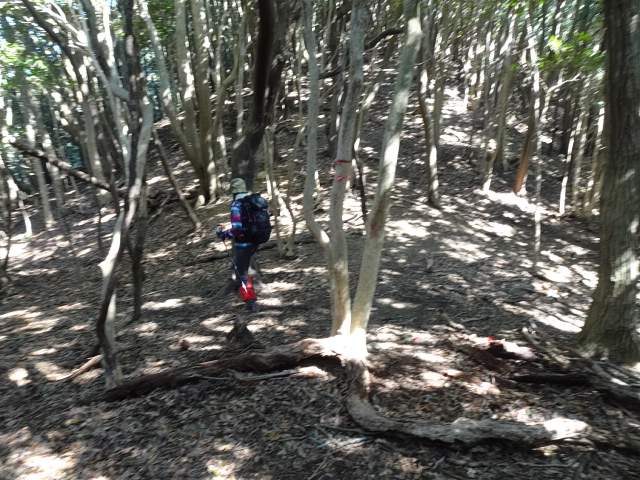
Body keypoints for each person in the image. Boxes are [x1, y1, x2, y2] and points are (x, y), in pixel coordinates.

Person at [216, 178, 259, 312]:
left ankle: (251, 303)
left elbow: (237, 228)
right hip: (253, 241)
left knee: (241, 274)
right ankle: (251, 300)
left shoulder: (236, 205)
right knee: (243, 271)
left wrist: (223, 234)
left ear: (234, 192)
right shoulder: (251, 202)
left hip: (242, 243)